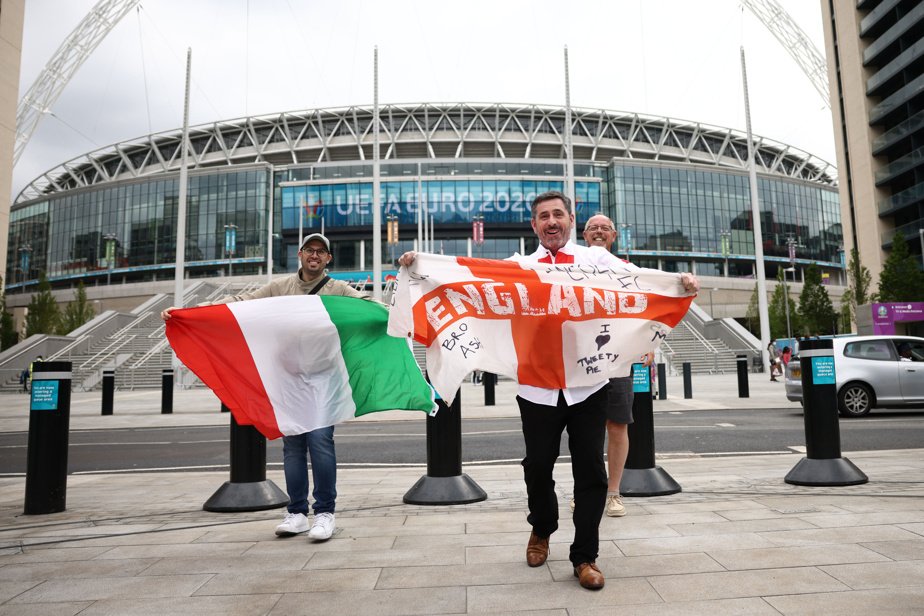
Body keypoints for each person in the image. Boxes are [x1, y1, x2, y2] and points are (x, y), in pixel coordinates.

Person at [399, 192, 700, 590]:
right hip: (536, 388)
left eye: (558, 214)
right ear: (534, 225)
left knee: (590, 470)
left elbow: (638, 280)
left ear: (571, 220)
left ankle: (585, 556)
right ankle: (541, 528)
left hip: (588, 386)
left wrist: (680, 284)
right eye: (543, 216)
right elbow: (467, 277)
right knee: (538, 466)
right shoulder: (518, 267)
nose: (552, 221)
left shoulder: (595, 261)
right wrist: (418, 264)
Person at [162, 233, 371, 541]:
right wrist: (198, 311)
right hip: (287, 378)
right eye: (310, 250)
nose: (315, 255)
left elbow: (367, 305)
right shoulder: (280, 288)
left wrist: (390, 309)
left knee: (320, 441)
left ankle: (325, 512)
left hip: (323, 377)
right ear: (300, 255)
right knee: (293, 446)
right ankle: (297, 513)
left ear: (328, 260)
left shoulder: (338, 289)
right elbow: (241, 303)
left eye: (321, 252)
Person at [569, 214, 655, 519]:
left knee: (617, 425)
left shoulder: (628, 271)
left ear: (614, 235)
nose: (599, 232)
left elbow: (649, 304)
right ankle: (585, 493)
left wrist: (650, 343)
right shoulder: (569, 268)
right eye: (593, 228)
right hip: (580, 360)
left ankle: (613, 493)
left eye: (605, 228)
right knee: (584, 430)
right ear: (584, 235)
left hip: (617, 359)